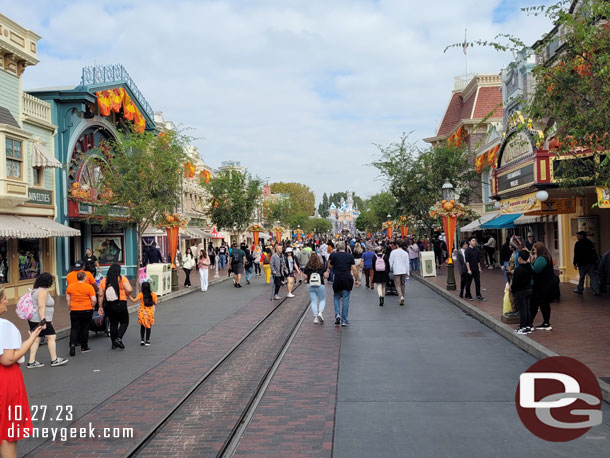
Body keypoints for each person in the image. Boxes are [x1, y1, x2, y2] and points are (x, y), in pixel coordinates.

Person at [0, 288, 44, 457]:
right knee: (7, 430)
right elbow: (7, 358)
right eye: (4, 298)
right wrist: (31, 339)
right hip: (6, 379)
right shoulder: (4, 326)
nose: (6, 301)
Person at [26, 273, 68, 368]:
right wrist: (43, 321)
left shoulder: (35, 290)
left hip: (34, 318)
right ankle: (54, 359)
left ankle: (31, 361)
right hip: (41, 319)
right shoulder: (42, 292)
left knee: (36, 339)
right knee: (51, 337)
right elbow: (41, 306)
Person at [98, 263, 133, 349]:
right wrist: (126, 293)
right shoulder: (122, 279)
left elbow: (100, 295)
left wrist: (100, 307)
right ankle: (119, 338)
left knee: (113, 323)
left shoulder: (104, 281)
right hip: (120, 303)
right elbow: (129, 289)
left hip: (109, 305)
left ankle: (114, 343)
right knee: (124, 322)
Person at [326, 241, 359, 326]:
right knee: (346, 299)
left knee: (336, 296)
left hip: (338, 278)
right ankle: (344, 320)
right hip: (347, 278)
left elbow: (330, 265)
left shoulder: (335, 255)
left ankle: (337, 314)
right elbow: (354, 269)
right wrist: (356, 279)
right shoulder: (350, 256)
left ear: (337, 248)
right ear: (345, 248)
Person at [66, 271, 96, 356]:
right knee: (85, 328)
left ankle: (72, 344)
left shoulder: (71, 286)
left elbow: (68, 299)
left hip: (74, 309)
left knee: (74, 328)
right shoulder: (89, 287)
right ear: (85, 278)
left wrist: (70, 307)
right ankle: (84, 346)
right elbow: (93, 299)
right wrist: (92, 306)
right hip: (86, 309)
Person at [531, 242, 556, 331]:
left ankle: (530, 323)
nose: (533, 251)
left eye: (534, 249)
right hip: (546, 285)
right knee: (543, 304)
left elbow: (535, 270)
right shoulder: (547, 257)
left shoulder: (541, 258)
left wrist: (530, 262)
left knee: (535, 304)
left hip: (541, 285)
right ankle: (545, 322)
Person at [511, 250, 534, 334]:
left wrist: (512, 290)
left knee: (522, 309)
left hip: (520, 291)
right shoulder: (529, 267)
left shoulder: (518, 269)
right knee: (527, 308)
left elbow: (515, 282)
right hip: (529, 289)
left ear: (520, 258)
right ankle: (529, 325)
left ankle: (523, 326)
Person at [128, 281, 157, 346]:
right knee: (148, 326)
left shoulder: (141, 294)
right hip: (150, 312)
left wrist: (128, 295)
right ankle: (147, 340)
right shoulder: (153, 294)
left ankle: (142, 339)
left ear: (142, 288)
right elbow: (155, 302)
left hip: (142, 312)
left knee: (142, 326)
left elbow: (133, 301)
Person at [573, 231, 600, 296]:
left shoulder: (578, 243)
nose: (577, 236)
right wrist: (595, 261)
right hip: (591, 263)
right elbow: (594, 252)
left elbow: (576, 254)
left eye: (578, 235)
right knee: (593, 276)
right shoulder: (589, 242)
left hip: (582, 263)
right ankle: (596, 290)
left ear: (582, 236)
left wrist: (575, 263)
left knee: (582, 276)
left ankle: (580, 289)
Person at [304, 253, 326, 323]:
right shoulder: (321, 266)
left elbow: (305, 277)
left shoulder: (307, 267)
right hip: (320, 285)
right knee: (322, 299)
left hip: (310, 285)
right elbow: (325, 276)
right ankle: (320, 312)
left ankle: (315, 317)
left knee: (313, 301)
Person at [389, 240, 410, 306]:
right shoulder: (405, 253)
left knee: (397, 285)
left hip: (397, 270)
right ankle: (402, 297)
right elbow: (407, 263)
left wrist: (389, 269)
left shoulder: (393, 252)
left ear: (397, 245)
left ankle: (401, 297)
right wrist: (407, 272)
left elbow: (390, 262)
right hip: (404, 270)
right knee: (403, 284)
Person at [464, 236, 485, 301]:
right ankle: (468, 294)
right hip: (470, 269)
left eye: (475, 241)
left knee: (477, 282)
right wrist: (468, 269)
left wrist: (479, 268)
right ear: (469, 242)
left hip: (476, 268)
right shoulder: (467, 250)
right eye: (473, 241)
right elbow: (467, 261)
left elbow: (478, 260)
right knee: (469, 282)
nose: (474, 242)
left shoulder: (476, 249)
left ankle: (478, 295)